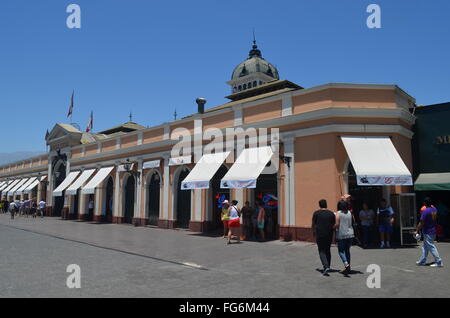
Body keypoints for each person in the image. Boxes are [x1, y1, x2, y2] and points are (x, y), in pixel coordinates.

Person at [415, 197, 443, 267]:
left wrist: (417, 230)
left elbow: (421, 223)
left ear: (425, 203)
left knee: (431, 246)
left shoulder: (426, 211)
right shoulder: (434, 209)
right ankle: (422, 261)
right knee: (425, 247)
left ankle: (438, 261)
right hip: (432, 229)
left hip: (428, 231)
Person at [312, 199, 336, 276]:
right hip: (329, 234)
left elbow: (313, 223)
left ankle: (326, 266)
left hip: (320, 234)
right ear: (326, 204)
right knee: (327, 250)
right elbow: (334, 224)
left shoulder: (316, 213)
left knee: (321, 250)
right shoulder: (331, 213)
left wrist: (313, 231)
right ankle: (328, 265)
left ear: (319, 205)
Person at [335, 200, 355, 275]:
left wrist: (332, 227)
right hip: (350, 234)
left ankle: (346, 263)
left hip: (341, 234)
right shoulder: (350, 212)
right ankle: (348, 267)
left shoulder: (338, 213)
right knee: (347, 251)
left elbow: (337, 224)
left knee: (341, 251)